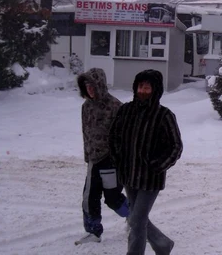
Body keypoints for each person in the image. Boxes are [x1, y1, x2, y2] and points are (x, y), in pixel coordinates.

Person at [110, 70, 183, 255]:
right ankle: (162, 244)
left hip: (150, 179)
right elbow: (114, 137)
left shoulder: (164, 116)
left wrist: (157, 165)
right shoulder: (125, 111)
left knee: (136, 220)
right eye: (140, 86)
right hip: (128, 174)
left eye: (147, 87)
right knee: (137, 219)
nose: (143, 90)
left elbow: (175, 147)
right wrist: (118, 157)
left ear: (155, 90)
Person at [75, 68, 130, 245]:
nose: (89, 89)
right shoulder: (86, 107)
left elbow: (125, 136)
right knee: (88, 198)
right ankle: (93, 232)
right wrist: (88, 156)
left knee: (113, 199)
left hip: (111, 161)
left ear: (100, 85)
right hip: (93, 160)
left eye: (92, 85)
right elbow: (86, 133)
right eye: (86, 86)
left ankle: (135, 219)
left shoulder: (115, 106)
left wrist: (121, 160)